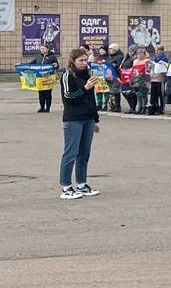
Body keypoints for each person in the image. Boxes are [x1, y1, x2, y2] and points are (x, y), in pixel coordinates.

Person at [57, 47, 100, 201]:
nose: (84, 63)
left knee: (84, 153)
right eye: (81, 60)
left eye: (85, 60)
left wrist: (95, 119)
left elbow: (91, 99)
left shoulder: (88, 75)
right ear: (73, 61)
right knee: (70, 153)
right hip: (73, 119)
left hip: (87, 119)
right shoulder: (67, 76)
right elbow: (69, 97)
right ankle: (66, 186)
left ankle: (82, 184)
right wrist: (85, 87)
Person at [32, 41, 59, 113]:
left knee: (47, 93)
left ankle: (48, 108)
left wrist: (55, 65)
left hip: (48, 78)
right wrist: (21, 65)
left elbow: (57, 66)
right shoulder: (38, 56)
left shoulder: (52, 57)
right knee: (41, 93)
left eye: (43, 48)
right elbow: (31, 64)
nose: (42, 50)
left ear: (47, 49)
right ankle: (41, 107)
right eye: (41, 49)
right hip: (39, 78)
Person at [106, 43, 125, 113]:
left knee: (116, 91)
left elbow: (119, 65)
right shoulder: (109, 57)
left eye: (112, 49)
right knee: (111, 92)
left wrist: (115, 65)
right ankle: (112, 106)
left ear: (116, 50)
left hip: (116, 75)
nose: (110, 50)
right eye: (110, 49)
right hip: (109, 75)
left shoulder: (120, 56)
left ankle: (117, 106)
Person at [149, 47, 168, 115]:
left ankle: (161, 108)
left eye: (158, 50)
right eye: (156, 50)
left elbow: (165, 67)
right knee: (154, 94)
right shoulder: (154, 57)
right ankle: (154, 107)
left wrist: (162, 63)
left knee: (161, 94)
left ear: (162, 51)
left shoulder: (164, 58)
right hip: (153, 78)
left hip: (160, 79)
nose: (156, 51)